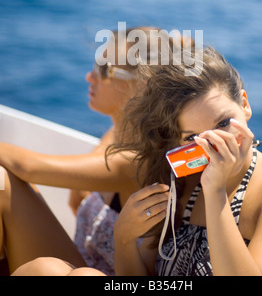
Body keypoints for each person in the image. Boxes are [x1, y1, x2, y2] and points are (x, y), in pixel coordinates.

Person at [0, 25, 180, 275]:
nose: (90, 76)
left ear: (142, 86)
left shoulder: (137, 160)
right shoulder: (118, 134)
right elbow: (78, 196)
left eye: (105, 70)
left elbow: (26, 167)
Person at [108, 46, 262, 276]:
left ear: (245, 105)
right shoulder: (182, 180)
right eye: (193, 137)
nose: (214, 143)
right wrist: (124, 238)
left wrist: (215, 190)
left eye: (223, 123)